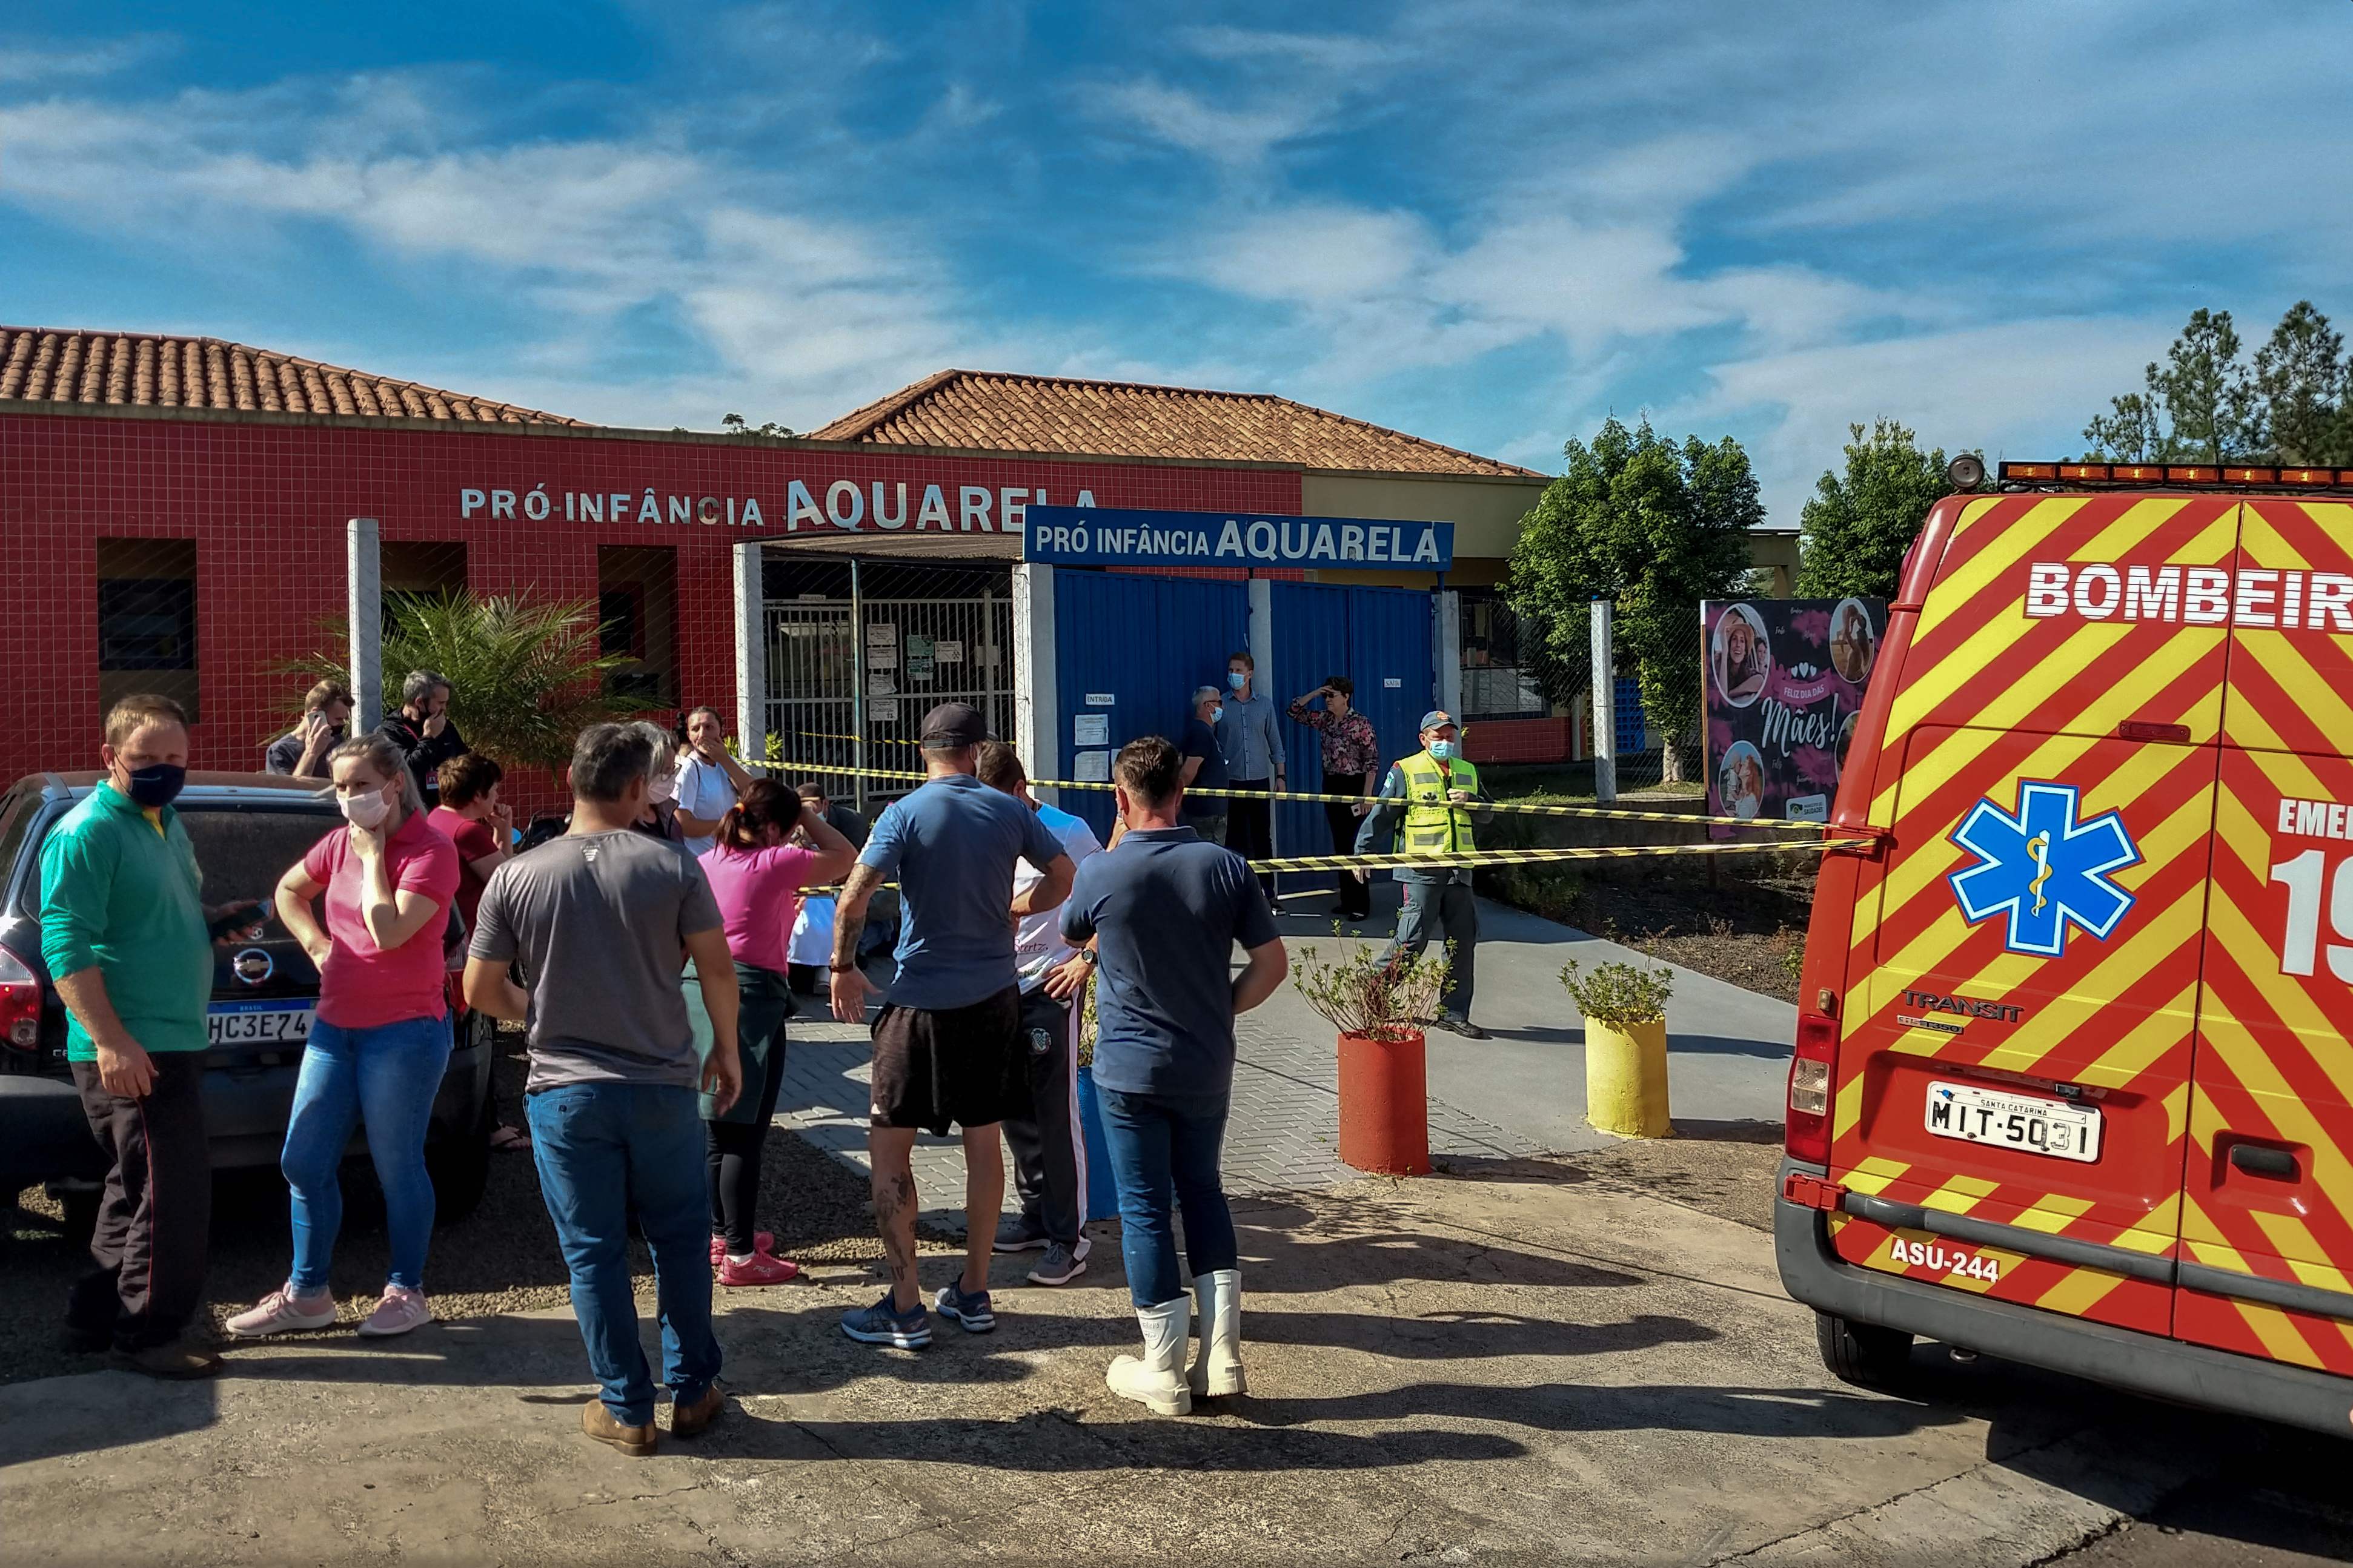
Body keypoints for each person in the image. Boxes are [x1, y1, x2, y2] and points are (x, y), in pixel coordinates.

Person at [462, 723, 744, 1457]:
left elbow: (481, 989)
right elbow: (716, 968)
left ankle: (626, 1408)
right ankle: (691, 1393)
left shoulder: (516, 875)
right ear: (632, 790)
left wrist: (544, 1009)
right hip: (659, 1086)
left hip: (564, 1091)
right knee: (680, 1241)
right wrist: (726, 1049)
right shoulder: (673, 869)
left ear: (569, 779)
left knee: (591, 1252)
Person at [1047, 735, 1286, 1417]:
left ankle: (1162, 1369)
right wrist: (1220, 1012)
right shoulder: (1225, 865)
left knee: (1146, 1208)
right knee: (1204, 1192)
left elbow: (1070, 934)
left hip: (1130, 1067)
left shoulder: (1102, 872)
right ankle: (1223, 1357)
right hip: (1205, 1062)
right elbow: (1271, 966)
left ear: (1121, 798)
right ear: (1181, 790)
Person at [826, 703, 1074, 1350]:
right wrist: (1016, 907)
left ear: (923, 752)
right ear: (974, 751)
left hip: (920, 1006)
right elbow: (1065, 878)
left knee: (888, 1150)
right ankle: (974, 1289)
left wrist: (842, 967)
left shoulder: (904, 813)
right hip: (994, 998)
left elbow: (854, 896)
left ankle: (905, 1304)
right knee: (983, 1141)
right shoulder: (1011, 810)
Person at [45, 694, 265, 1379]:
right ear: (109, 756)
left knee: (136, 1186)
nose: (165, 770)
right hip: (133, 1045)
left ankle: (94, 1320)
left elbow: (148, 912)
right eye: (147, 759)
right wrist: (110, 1041)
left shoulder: (162, 819)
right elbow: (64, 941)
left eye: (176, 758)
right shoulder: (88, 832)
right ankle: (148, 1336)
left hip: (172, 1035)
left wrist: (208, 920)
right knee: (173, 1193)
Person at [228, 733, 460, 1340]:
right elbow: (287, 890)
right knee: (303, 1160)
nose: (348, 797)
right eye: (340, 786)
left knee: (396, 1165)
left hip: (405, 1033)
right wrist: (314, 942)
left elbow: (387, 931)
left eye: (360, 785)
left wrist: (376, 855)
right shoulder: (336, 843)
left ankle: (406, 1290)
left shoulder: (431, 851)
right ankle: (308, 1294)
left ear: (394, 785)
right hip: (336, 1027)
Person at [695, 780, 856, 1286]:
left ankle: (721, 1236)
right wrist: (808, 815)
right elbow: (845, 855)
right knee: (745, 1129)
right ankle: (741, 1255)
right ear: (772, 827)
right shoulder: (771, 860)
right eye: (787, 829)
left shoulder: (710, 859)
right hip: (752, 998)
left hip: (704, 992)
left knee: (719, 1127)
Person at [975, 741, 1103, 1287]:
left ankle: (1069, 1239)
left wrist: (1085, 959)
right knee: (1013, 1109)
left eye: (996, 803)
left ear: (1020, 792)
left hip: (1051, 985)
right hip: (996, 985)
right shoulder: (982, 829)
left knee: (1056, 1112)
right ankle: (1033, 1213)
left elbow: (1109, 898)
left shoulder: (1068, 831)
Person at [1354, 710, 1496, 1039]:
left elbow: (1490, 814)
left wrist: (1472, 802)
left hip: (1459, 872)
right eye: (1438, 736)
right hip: (1421, 871)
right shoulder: (1406, 769)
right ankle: (1372, 994)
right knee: (1411, 940)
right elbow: (1382, 814)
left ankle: (1453, 1013)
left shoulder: (1467, 771)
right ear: (1424, 739)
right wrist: (1362, 853)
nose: (1445, 742)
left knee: (1462, 943)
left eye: (1450, 736)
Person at [1287, 676, 1381, 923]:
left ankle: (1361, 903)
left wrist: (1367, 796)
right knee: (1340, 844)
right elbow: (1294, 711)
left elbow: (1372, 761)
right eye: (1326, 696)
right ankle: (1347, 900)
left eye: (1332, 695)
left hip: (1355, 785)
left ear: (1346, 697)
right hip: (1332, 784)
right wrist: (1316, 692)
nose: (1328, 700)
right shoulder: (1326, 721)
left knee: (1355, 845)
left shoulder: (1360, 724)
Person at [786, 781, 875, 993]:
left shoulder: (847, 824)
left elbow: (853, 865)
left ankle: (828, 970)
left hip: (833, 892)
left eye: (811, 806)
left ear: (825, 804)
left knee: (832, 920)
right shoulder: (790, 835)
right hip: (802, 897)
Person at [1215, 650, 1284, 896]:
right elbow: (1212, 742)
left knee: (1261, 837)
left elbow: (1275, 742)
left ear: (1250, 674)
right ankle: (1235, 892)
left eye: (1238, 671)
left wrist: (1281, 776)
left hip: (1258, 780)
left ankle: (1268, 893)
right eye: (1231, 670)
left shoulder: (1264, 705)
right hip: (1231, 780)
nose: (1233, 675)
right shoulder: (1220, 705)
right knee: (1234, 837)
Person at [428, 753, 513, 936]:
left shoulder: (437, 816)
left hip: (447, 928)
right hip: (472, 932)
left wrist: (500, 828)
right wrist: (506, 829)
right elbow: (505, 881)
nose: (497, 796)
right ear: (477, 796)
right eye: (494, 790)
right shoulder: (467, 831)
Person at [379, 670, 469, 810]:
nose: (444, 709)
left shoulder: (445, 726)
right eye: (440, 703)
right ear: (420, 703)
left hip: (448, 811)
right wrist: (429, 738)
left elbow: (465, 759)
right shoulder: (390, 732)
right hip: (413, 814)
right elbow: (408, 771)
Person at [673, 706, 755, 858]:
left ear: (721, 731)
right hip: (702, 860)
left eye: (709, 727)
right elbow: (683, 825)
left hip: (730, 856)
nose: (702, 734)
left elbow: (754, 794)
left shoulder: (727, 761)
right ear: (689, 736)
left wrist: (724, 760)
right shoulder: (690, 769)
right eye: (695, 729)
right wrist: (727, 825)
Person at [1176, 686, 1230, 847]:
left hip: (1212, 813)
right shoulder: (1201, 732)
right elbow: (1187, 773)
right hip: (1204, 815)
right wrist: (1175, 800)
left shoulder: (1206, 733)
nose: (1223, 707)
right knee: (1209, 861)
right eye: (1220, 702)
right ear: (1208, 706)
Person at [265, 681, 353, 779]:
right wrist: (312, 753)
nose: (342, 724)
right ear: (317, 715)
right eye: (338, 719)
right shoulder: (281, 751)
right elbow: (290, 791)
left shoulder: (337, 740)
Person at [628, 721, 686, 844]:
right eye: (665, 771)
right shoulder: (621, 824)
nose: (671, 777)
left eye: (673, 770)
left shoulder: (666, 812)